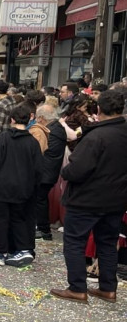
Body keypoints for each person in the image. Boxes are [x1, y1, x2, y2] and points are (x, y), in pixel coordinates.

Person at [50, 90, 127, 304]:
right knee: (108, 243)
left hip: (87, 199)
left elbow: (76, 170)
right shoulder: (120, 131)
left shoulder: (96, 136)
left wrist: (65, 171)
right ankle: (108, 288)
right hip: (116, 198)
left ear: (99, 109)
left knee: (74, 241)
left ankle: (77, 288)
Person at [0, 103, 42, 268]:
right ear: (29, 120)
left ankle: (2, 252)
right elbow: (38, 168)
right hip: (23, 187)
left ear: (11, 119)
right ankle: (21, 248)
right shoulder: (33, 142)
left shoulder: (5, 138)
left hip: (2, 185)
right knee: (18, 218)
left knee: (0, 219)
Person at [28, 103, 66, 241]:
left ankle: (43, 229)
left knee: (40, 199)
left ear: (42, 118)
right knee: (40, 199)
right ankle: (41, 227)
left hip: (45, 171)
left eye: (38, 117)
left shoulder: (53, 130)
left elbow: (45, 151)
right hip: (48, 170)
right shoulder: (55, 128)